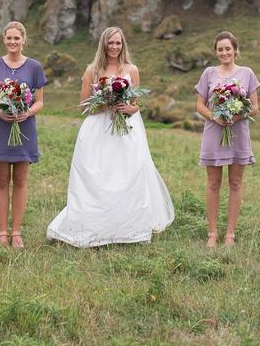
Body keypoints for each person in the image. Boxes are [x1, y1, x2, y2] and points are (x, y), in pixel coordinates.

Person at [47, 26, 174, 247]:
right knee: (98, 176)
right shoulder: (92, 71)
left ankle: (128, 228)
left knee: (126, 174)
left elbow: (136, 104)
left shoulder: (131, 69)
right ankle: (93, 227)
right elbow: (84, 106)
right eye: (110, 43)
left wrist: (129, 108)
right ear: (103, 44)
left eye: (118, 43)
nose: (114, 47)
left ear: (123, 45)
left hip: (125, 130)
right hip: (98, 130)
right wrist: (105, 103)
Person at [0, 21, 47, 249]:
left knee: (20, 181)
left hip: (24, 128)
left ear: (23, 40)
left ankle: (16, 231)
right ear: (3, 39)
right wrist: (1, 112)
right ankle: (2, 232)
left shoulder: (35, 67)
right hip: (1, 128)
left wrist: (25, 113)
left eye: (16, 38)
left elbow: (40, 102)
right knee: (1, 181)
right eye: (9, 38)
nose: (12, 42)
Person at [195, 30, 260, 248]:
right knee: (213, 183)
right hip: (214, 133)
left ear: (235, 50)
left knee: (236, 182)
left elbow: (255, 108)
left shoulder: (247, 73)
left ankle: (230, 234)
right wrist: (215, 117)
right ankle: (212, 234)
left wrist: (236, 115)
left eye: (228, 49)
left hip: (238, 133)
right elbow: (200, 105)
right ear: (216, 51)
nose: (224, 52)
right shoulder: (209, 73)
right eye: (220, 49)